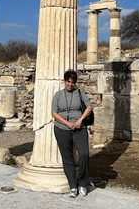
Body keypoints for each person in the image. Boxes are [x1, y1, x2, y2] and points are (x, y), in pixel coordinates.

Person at [51, 70, 93, 198]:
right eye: (68, 81)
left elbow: (89, 107)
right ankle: (73, 186)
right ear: (64, 81)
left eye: (73, 82)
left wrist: (80, 120)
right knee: (67, 158)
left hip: (79, 127)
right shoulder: (58, 95)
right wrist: (67, 123)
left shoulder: (79, 93)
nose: (70, 84)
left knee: (84, 154)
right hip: (62, 128)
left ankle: (82, 183)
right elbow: (54, 113)